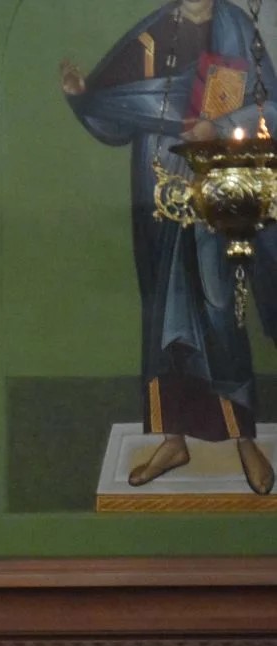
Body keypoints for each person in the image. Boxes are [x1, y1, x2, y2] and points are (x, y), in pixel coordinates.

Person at [63, 0, 277, 494]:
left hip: (217, 186)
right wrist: (82, 98)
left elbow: (270, 106)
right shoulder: (153, 33)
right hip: (156, 189)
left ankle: (244, 439)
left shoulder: (236, 27)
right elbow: (117, 107)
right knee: (163, 314)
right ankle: (173, 439)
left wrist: (217, 127)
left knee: (221, 310)